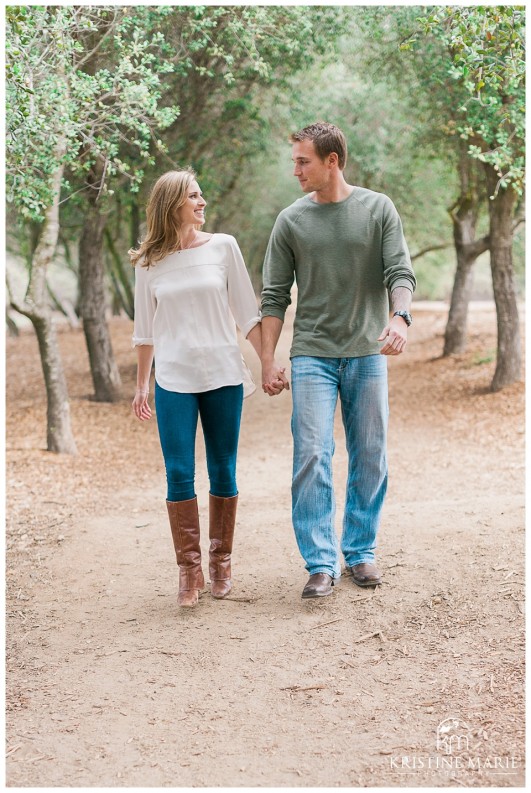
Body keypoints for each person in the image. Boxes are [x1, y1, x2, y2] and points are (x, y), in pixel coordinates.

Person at [260, 122, 416, 599]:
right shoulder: (291, 220)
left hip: (367, 352)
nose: (296, 170)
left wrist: (400, 318)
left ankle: (361, 550)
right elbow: (273, 296)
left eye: (303, 161)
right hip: (312, 354)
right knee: (312, 454)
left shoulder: (378, 208)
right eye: (294, 161)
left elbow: (400, 272)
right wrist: (268, 359)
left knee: (371, 452)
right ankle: (320, 561)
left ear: (332, 161)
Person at [130, 169, 283, 608]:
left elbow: (247, 315)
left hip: (222, 375)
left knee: (223, 469)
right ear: (172, 203)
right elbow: (145, 332)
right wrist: (143, 386)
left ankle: (221, 563)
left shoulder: (223, 247)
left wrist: (268, 363)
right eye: (193, 196)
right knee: (178, 473)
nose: (202, 202)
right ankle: (188, 571)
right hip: (173, 379)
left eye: (201, 194)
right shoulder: (148, 263)